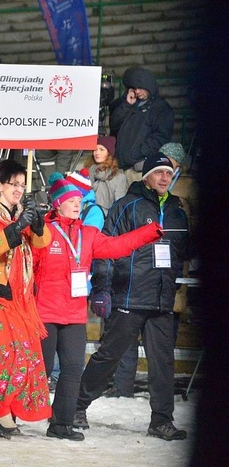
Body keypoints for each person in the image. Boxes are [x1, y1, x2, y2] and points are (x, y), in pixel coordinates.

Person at [33, 173, 161, 441]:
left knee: (71, 370)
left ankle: (61, 425)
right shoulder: (42, 232)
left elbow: (116, 247)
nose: (78, 204)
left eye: (80, 199)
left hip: (74, 314)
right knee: (40, 371)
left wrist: (148, 233)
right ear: (58, 204)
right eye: (72, 200)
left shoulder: (88, 234)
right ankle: (9, 414)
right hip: (44, 312)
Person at [76, 153, 189, 441]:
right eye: (160, 172)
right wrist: (101, 288)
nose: (165, 178)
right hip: (129, 296)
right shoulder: (127, 205)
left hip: (162, 299)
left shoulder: (177, 209)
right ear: (147, 175)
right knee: (109, 357)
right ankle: (76, 405)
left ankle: (161, 420)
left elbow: (183, 251)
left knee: (163, 363)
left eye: (169, 173)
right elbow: (105, 249)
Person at [0, 159, 52, 439]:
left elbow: (41, 245)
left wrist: (36, 223)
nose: (19, 189)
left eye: (22, 184)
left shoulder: (18, 212)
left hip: (17, 296)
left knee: (24, 354)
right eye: (14, 184)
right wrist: (16, 228)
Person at [109, 66, 174, 185]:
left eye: (140, 88)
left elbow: (161, 137)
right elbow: (114, 125)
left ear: (149, 86)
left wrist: (138, 153)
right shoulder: (131, 103)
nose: (137, 92)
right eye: (134, 88)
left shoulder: (161, 108)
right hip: (121, 166)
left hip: (139, 169)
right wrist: (127, 105)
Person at [83, 135, 128, 214]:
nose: (97, 153)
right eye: (95, 150)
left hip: (107, 217)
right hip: (86, 214)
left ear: (109, 153)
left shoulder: (119, 177)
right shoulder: (87, 171)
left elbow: (119, 205)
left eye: (101, 149)